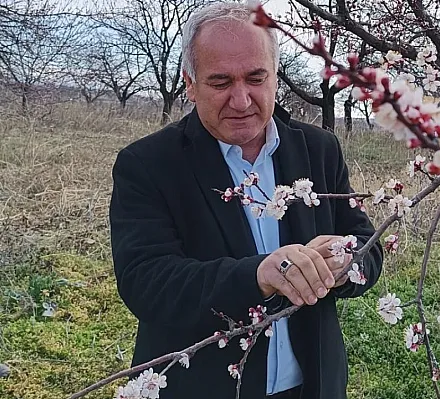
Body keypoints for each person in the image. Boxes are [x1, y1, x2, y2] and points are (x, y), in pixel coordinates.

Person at [108, 3, 384, 399]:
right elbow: (147, 283)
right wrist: (258, 277)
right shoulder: (147, 164)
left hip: (313, 387)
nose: (241, 100)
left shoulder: (319, 150)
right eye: (220, 82)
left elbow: (366, 243)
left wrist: (344, 263)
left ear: (275, 77)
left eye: (256, 78)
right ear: (190, 83)